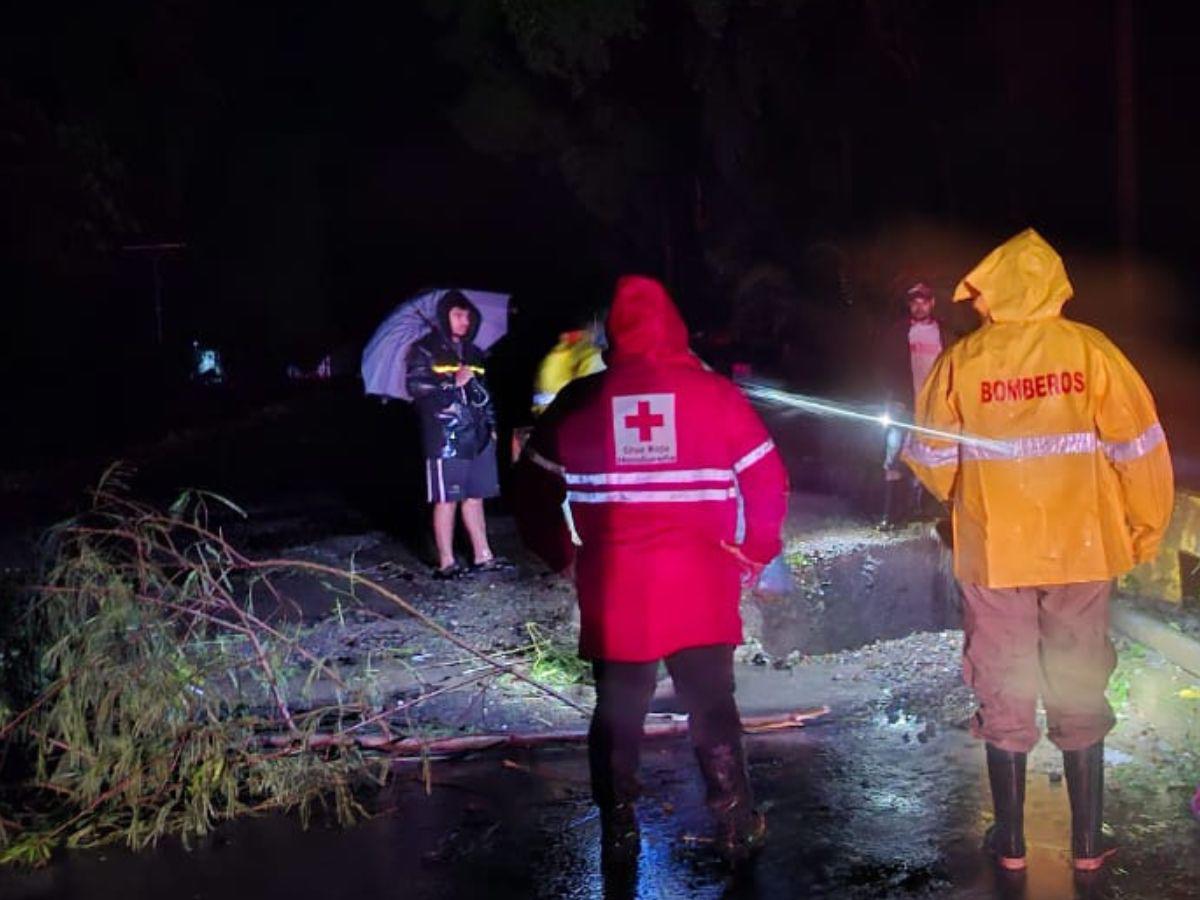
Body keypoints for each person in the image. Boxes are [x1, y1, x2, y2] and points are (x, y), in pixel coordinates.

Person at [903, 229, 1174, 872]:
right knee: (1078, 669)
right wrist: (1144, 528)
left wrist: (966, 500)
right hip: (1080, 545)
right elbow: (1140, 447)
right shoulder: (1091, 351)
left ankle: (1012, 840)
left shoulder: (964, 361)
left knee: (1002, 675)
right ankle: (1085, 842)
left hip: (995, 550)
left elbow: (931, 456)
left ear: (990, 289)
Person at [515, 275, 789, 865]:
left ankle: (618, 830)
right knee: (713, 706)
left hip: (618, 592)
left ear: (611, 334)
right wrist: (758, 548)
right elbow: (767, 476)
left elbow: (529, 492)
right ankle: (736, 825)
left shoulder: (579, 402)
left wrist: (561, 553)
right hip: (700, 589)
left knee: (616, 711)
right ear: (675, 327)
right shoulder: (715, 395)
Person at [406, 290, 512, 579]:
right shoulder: (424, 350)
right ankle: (447, 562)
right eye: (457, 315)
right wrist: (453, 381)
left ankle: (483, 555)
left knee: (476, 497)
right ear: (444, 317)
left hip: (478, 437)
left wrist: (492, 428)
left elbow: (485, 394)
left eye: (467, 315)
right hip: (446, 438)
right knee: (446, 499)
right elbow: (418, 389)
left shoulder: (474, 352)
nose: (464, 321)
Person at [877, 280, 953, 528]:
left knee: (928, 455)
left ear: (932, 304)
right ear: (910, 305)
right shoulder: (898, 332)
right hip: (904, 404)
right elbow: (886, 366)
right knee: (894, 453)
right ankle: (890, 514)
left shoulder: (945, 333)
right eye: (914, 303)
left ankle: (918, 508)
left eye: (924, 302)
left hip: (934, 406)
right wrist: (890, 397)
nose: (919, 307)